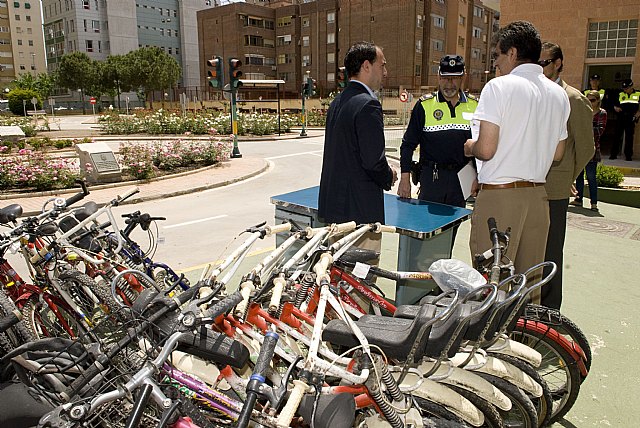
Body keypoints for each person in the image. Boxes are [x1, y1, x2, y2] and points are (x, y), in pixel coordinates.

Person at [463, 21, 570, 304]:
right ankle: (524, 334)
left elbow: (486, 149)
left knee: (491, 285)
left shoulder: (499, 87)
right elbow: (558, 153)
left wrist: (470, 147)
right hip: (538, 199)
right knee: (529, 288)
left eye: (497, 55)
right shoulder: (558, 93)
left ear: (511, 53)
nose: (495, 63)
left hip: (500, 199)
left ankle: (490, 335)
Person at [318, 41, 397, 247]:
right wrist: (389, 175)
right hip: (360, 216)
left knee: (337, 266)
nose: (385, 72)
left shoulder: (337, 102)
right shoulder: (368, 104)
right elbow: (373, 162)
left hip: (335, 211)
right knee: (363, 267)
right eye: (382, 65)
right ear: (366, 66)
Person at [538, 42, 594, 310]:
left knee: (550, 252)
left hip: (555, 190)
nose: (539, 68)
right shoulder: (535, 94)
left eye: (544, 63)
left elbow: (586, 148)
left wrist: (568, 176)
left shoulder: (573, 99)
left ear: (558, 63)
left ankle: (549, 312)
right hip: (528, 186)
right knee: (529, 251)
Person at [397, 54, 477, 208]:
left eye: (455, 78)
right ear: (439, 77)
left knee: (456, 221)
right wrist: (405, 179)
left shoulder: (475, 106)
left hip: (462, 180)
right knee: (427, 221)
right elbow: (407, 145)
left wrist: (479, 177)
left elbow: (480, 147)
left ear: (463, 77)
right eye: (445, 78)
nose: (449, 83)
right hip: (432, 179)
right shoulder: (424, 105)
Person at [572, 90, 607, 211]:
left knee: (591, 176)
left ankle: (594, 203)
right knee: (579, 176)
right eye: (588, 99)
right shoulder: (584, 111)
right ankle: (578, 199)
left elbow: (599, 131)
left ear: (598, 101)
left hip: (593, 149)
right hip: (580, 148)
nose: (590, 102)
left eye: (592, 100)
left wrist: (586, 129)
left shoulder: (602, 113)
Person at [610, 79, 640, 161]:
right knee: (617, 136)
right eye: (624, 88)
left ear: (631, 86)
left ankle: (628, 156)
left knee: (629, 137)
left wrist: (638, 112)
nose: (625, 90)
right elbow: (612, 103)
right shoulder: (620, 94)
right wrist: (615, 107)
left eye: (626, 88)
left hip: (631, 118)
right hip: (621, 117)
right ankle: (613, 154)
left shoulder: (638, 94)